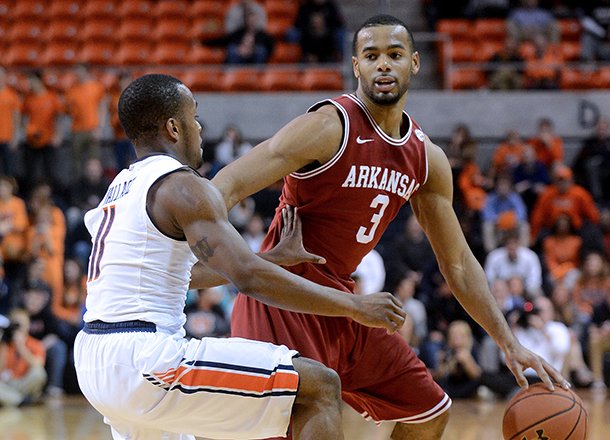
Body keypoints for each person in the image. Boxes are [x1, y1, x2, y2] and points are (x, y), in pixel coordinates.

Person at [212, 15, 568, 439]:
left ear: (415, 63)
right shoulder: (329, 127)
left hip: (344, 304)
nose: (384, 65)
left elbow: (456, 262)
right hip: (282, 300)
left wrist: (507, 341)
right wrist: (206, 254)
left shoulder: (426, 158)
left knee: (428, 410)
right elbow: (225, 187)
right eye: (372, 56)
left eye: (395, 55)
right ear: (356, 66)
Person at [73, 73, 405, 440]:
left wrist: (274, 257)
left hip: (95, 358)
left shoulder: (122, 186)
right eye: (193, 116)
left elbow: (187, 274)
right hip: (144, 358)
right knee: (320, 388)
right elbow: (247, 278)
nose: (199, 127)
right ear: (173, 127)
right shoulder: (182, 185)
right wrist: (353, 306)